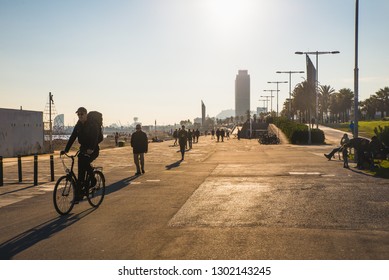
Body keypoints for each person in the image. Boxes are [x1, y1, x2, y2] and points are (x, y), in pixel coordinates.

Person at [61, 107, 100, 202]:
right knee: (80, 170)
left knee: (85, 162)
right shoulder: (78, 125)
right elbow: (72, 137)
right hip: (83, 149)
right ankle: (79, 194)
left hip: (93, 149)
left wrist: (91, 148)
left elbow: (96, 137)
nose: (80, 116)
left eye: (82, 114)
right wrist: (66, 150)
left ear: (86, 114)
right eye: (78, 114)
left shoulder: (92, 124)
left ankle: (93, 180)